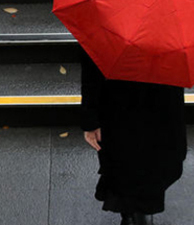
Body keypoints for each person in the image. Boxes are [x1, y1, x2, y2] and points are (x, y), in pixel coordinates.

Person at [80, 50, 187, 225]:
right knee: (151, 163)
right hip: (160, 103)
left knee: (126, 163)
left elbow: (92, 67)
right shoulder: (176, 28)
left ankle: (133, 213)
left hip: (123, 104)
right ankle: (138, 212)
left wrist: (90, 120)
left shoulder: (105, 26)